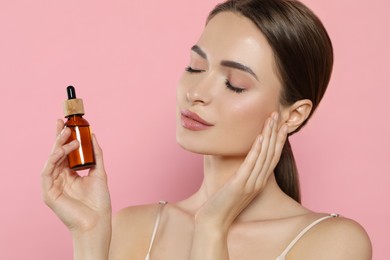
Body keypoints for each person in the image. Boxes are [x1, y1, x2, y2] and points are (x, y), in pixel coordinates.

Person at [41, 0, 372, 259]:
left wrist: (211, 227)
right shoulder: (132, 227)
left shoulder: (333, 243)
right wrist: (88, 234)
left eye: (235, 84)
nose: (195, 92)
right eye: (194, 67)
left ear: (293, 115)